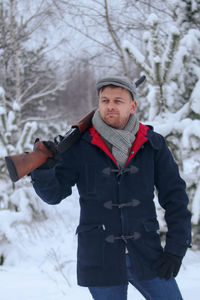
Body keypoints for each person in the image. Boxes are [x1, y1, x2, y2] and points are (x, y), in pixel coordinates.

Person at [31, 76, 192, 300]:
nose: (110, 106)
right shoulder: (80, 146)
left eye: (118, 100)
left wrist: (176, 250)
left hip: (148, 254)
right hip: (100, 257)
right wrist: (43, 170)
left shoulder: (152, 144)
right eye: (105, 100)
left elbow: (175, 199)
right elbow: (54, 195)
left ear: (132, 106)